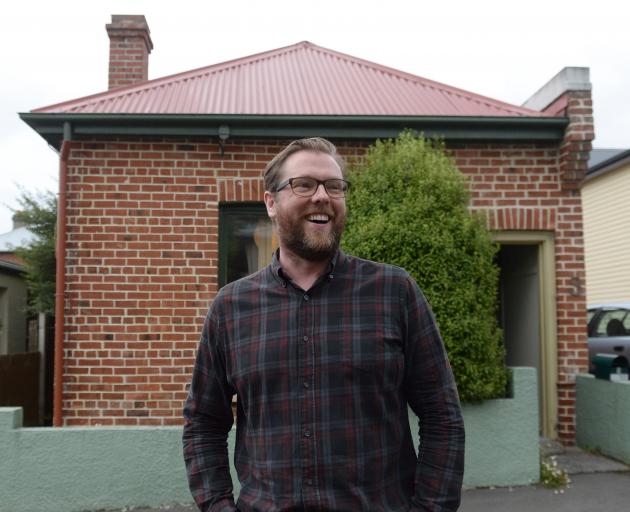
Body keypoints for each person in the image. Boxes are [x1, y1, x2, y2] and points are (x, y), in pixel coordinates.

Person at [183, 137, 465, 512]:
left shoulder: (394, 292)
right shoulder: (231, 308)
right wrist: (218, 506)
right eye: (303, 184)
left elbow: (442, 416)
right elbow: (203, 424)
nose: (322, 196)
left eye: (334, 186)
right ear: (271, 202)